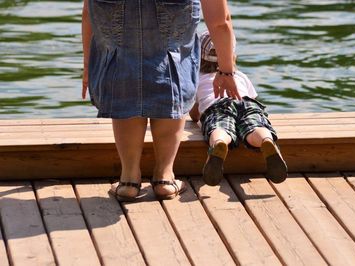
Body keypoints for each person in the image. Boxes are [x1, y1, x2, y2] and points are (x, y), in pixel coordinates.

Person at [82, 0, 240, 200]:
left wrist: (88, 66)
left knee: (125, 80)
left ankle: (129, 180)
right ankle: (165, 178)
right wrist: (226, 70)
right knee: (172, 77)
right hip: (171, 60)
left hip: (118, 60)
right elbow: (220, 22)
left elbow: (89, 12)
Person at [189, 31, 288, 186]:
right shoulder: (239, 75)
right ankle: (265, 140)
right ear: (232, 56)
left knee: (220, 128)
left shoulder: (197, 78)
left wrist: (196, 116)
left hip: (216, 107)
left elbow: (195, 114)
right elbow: (253, 100)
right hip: (245, 102)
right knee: (254, 125)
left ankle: (219, 143)